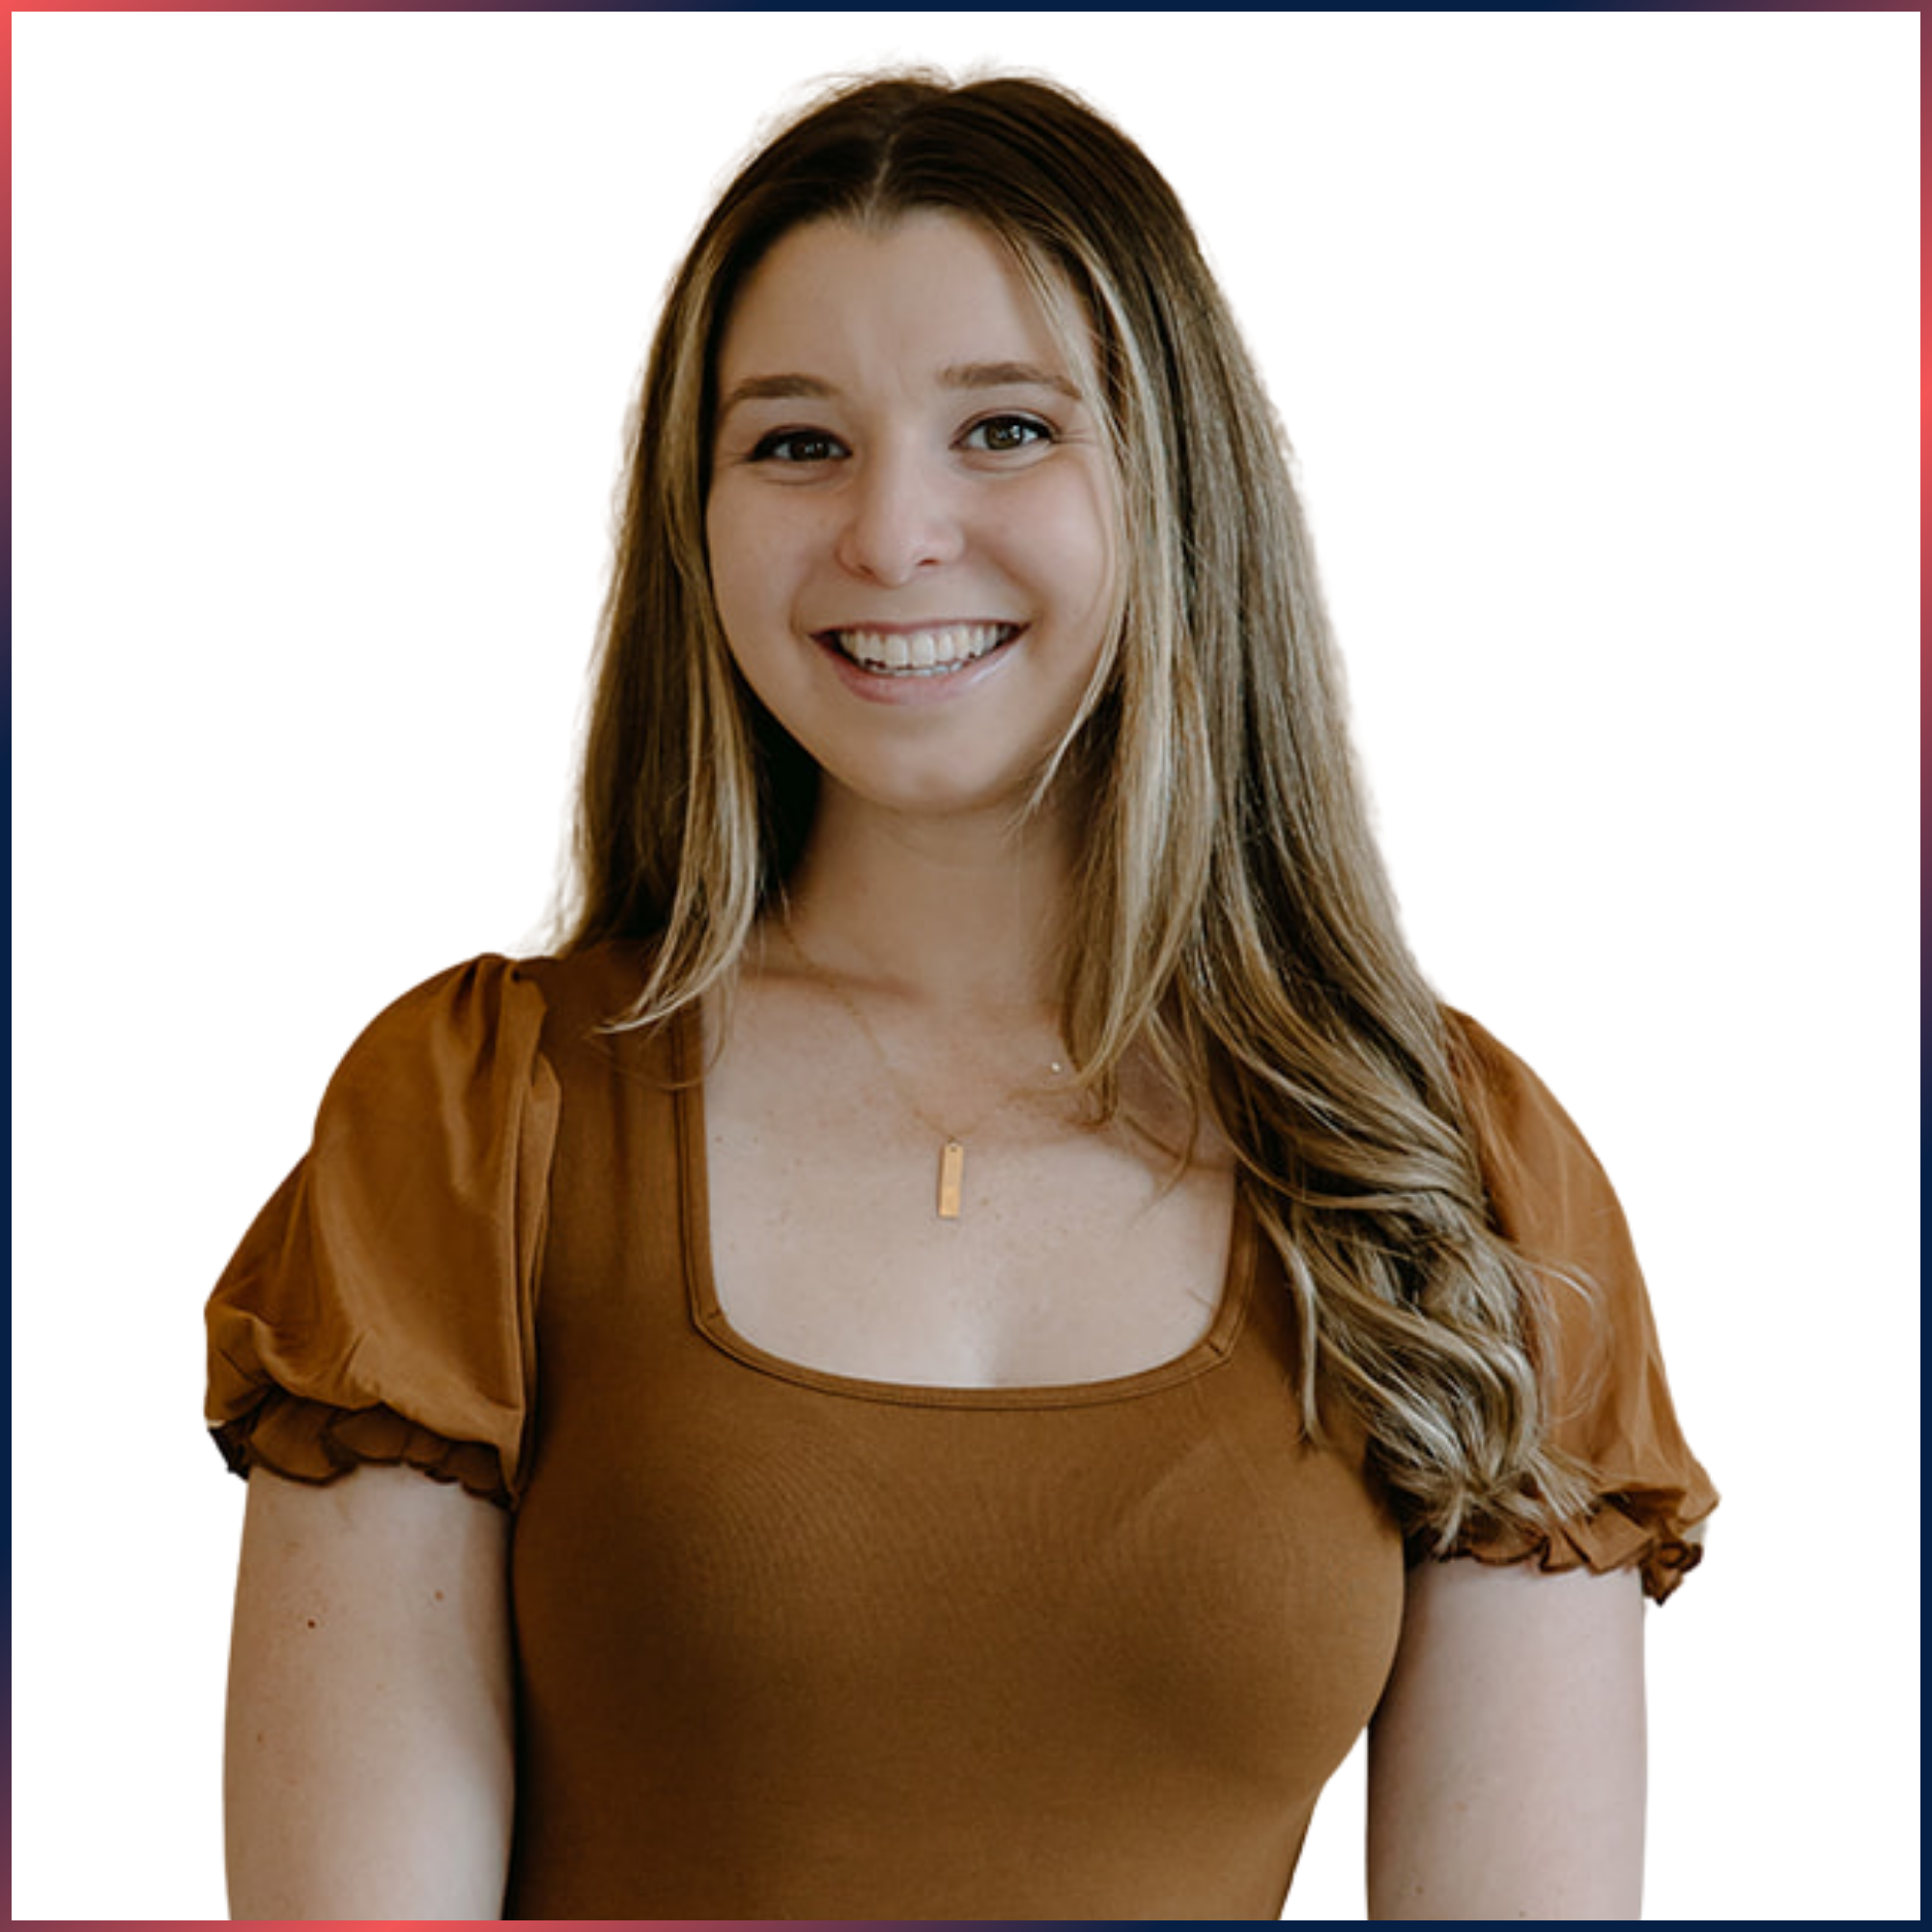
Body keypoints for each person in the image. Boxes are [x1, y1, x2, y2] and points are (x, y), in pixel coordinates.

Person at [206, 70, 1717, 1920]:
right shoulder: (471, 1125)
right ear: (695, 517)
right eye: (795, 443)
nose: (892, 533)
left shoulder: (1461, 1171)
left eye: (1005, 428)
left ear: (1176, 481)